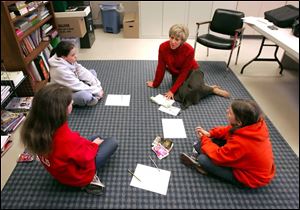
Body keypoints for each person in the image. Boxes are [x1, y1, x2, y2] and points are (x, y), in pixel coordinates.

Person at [20, 84, 118, 195]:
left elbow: (70, 146)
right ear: (61, 110)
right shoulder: (66, 139)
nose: (72, 102)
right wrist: (94, 145)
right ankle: (89, 181)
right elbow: (85, 157)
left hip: (59, 171)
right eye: (70, 102)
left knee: (96, 137)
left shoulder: (37, 127)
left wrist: (86, 143)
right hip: (75, 176)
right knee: (111, 142)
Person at [180, 99, 276, 188]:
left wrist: (205, 139)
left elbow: (218, 157)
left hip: (250, 178)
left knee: (203, 159)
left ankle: (204, 168)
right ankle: (203, 153)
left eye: (230, 112)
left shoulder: (242, 143)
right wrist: (210, 134)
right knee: (202, 145)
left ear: (239, 122)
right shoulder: (254, 124)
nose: (226, 111)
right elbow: (229, 130)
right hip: (248, 161)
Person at [146, 24, 230, 108]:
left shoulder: (189, 50)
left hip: (192, 70)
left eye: (177, 39)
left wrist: (171, 91)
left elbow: (184, 72)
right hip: (176, 73)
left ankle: (212, 89)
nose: (173, 42)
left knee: (194, 88)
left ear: (182, 41)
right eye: (171, 37)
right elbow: (161, 67)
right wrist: (155, 83)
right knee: (181, 93)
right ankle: (205, 87)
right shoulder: (163, 47)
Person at [48, 41, 104, 106]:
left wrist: (97, 86)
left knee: (91, 72)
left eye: (75, 54)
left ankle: (94, 94)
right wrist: (96, 90)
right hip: (63, 92)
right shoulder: (60, 70)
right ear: (63, 57)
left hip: (72, 83)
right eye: (73, 55)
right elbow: (76, 85)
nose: (76, 56)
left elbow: (81, 71)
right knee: (85, 96)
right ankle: (92, 97)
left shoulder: (67, 59)